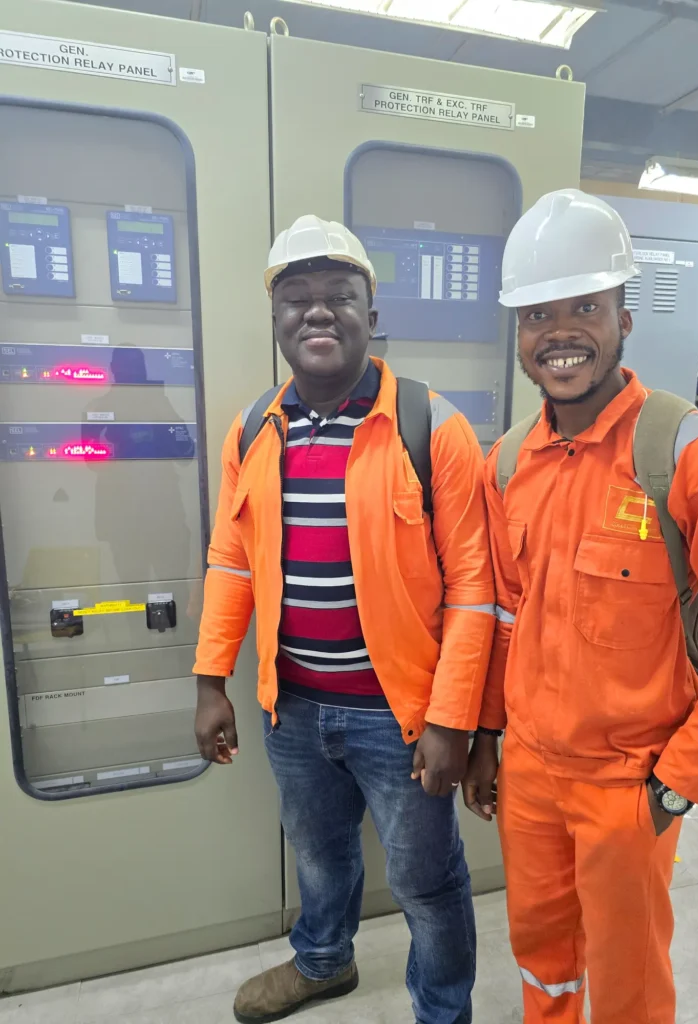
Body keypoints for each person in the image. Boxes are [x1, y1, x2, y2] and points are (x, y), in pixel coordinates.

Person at [463, 189, 698, 1023]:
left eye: (585, 308)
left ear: (623, 319)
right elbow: (506, 620)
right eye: (538, 314)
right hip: (529, 776)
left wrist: (676, 786)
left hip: (630, 784)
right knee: (544, 963)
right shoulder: (507, 464)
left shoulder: (696, 459)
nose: (560, 332)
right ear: (519, 334)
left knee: (627, 982)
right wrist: (489, 737)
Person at [193, 215, 495, 1024]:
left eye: (339, 295)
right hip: (290, 710)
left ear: (372, 312)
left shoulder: (432, 427)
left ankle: (443, 1012)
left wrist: (451, 720)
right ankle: (324, 963)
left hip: (401, 719)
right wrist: (211, 679)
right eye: (297, 297)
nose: (317, 311)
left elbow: (474, 590)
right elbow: (231, 562)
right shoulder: (255, 428)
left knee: (426, 881)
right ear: (276, 318)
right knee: (319, 857)